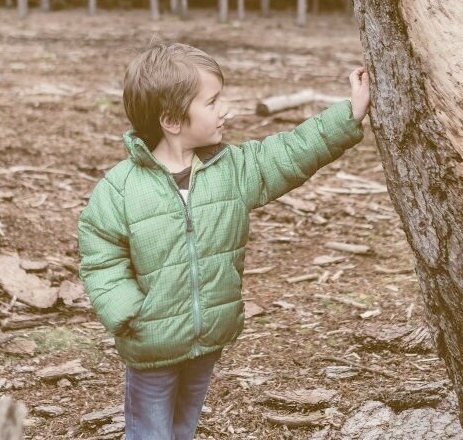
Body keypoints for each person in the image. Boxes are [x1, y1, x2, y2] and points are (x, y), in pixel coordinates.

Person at [78, 42, 370, 439]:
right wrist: (128, 313)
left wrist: (348, 113)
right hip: (151, 343)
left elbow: (291, 152)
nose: (226, 109)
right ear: (172, 120)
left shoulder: (231, 169)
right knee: (150, 431)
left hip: (210, 334)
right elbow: (100, 256)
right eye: (212, 102)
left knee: (184, 426)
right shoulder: (120, 189)